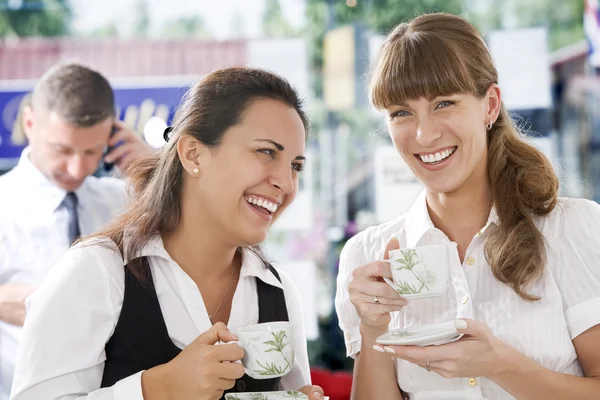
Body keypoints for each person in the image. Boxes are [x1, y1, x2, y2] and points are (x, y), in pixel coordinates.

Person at [10, 67, 325, 400]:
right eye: (266, 152)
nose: (286, 183)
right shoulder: (97, 272)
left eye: (296, 165)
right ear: (193, 153)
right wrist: (154, 390)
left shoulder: (278, 291)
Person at [335, 12, 600, 400]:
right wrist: (373, 328)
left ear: (490, 105)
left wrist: (501, 366)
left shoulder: (572, 229)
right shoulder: (367, 255)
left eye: (444, 103)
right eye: (401, 113)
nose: (424, 134)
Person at [0, 63, 154, 399]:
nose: (77, 168)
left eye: (91, 151)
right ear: (29, 124)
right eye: (63, 149)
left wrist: (153, 175)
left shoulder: (125, 202)